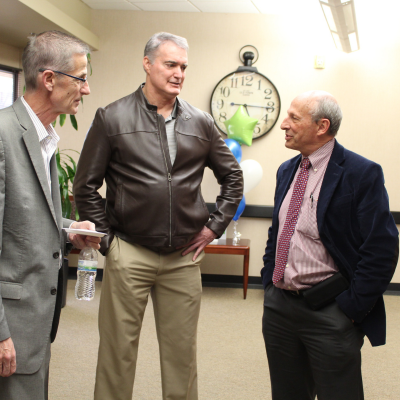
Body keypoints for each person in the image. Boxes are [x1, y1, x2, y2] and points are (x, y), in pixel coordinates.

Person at [73, 32, 243, 400]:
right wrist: (108, 242)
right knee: (117, 354)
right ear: (147, 64)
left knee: (182, 358)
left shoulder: (201, 122)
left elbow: (232, 177)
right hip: (128, 251)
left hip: (183, 258)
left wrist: (214, 227)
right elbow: (85, 185)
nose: (179, 73)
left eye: (183, 66)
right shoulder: (112, 117)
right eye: (171, 64)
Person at [261, 90, 398, 400]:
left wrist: (351, 309)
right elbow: (279, 231)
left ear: (322, 126)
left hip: (330, 310)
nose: (284, 124)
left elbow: (381, 248)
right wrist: (269, 282)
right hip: (279, 307)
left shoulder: (361, 173)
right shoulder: (287, 170)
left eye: (294, 118)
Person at [0, 30, 101, 400]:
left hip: (36, 318)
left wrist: (69, 228)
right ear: (49, 79)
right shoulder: (3, 136)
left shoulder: (45, 139)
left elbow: (23, 219)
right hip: (10, 323)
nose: (86, 90)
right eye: (82, 78)